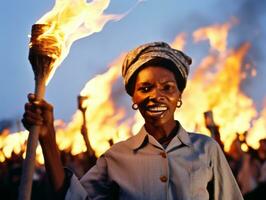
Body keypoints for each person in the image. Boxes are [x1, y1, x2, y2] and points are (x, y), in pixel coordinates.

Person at [22, 41, 243, 200]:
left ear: (179, 97)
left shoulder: (207, 149)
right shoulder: (115, 157)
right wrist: (47, 137)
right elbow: (74, 197)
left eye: (168, 88)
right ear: (134, 98)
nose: (156, 95)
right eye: (145, 88)